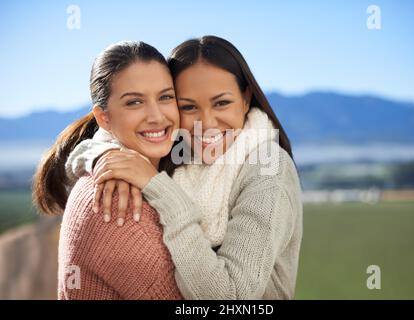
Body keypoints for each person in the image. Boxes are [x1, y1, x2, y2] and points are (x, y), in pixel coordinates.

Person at [67, 36, 303, 299]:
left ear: (246, 99)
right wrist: (104, 155)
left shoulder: (268, 169)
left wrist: (157, 187)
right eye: (188, 107)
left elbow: (231, 299)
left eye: (221, 102)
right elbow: (97, 141)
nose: (206, 122)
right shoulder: (181, 152)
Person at [32, 41, 183, 299]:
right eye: (135, 102)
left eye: (166, 96)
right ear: (104, 118)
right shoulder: (114, 203)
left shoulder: (163, 168)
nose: (157, 116)